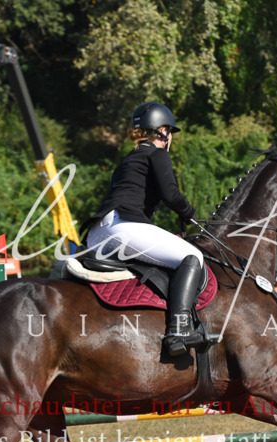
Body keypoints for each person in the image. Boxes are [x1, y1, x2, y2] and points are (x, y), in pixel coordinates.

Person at [83, 102, 206, 356]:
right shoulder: (158, 153)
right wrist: (191, 214)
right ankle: (179, 330)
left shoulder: (129, 158)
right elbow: (171, 195)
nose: (170, 138)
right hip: (122, 228)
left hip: (97, 233)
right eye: (169, 132)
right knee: (192, 257)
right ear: (162, 131)